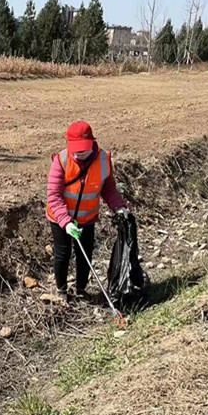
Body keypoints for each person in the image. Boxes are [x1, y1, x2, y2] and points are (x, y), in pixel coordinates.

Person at [46, 121, 130, 302]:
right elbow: (53, 195)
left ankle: (81, 289)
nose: (79, 153)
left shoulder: (103, 160)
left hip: (87, 218)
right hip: (60, 219)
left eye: (83, 149)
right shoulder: (61, 160)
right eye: (76, 149)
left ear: (92, 142)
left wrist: (119, 206)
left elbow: (108, 189)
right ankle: (61, 291)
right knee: (63, 253)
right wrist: (66, 222)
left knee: (85, 253)